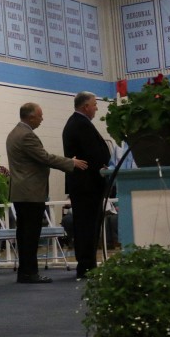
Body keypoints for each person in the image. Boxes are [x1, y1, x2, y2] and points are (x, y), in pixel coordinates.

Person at [6, 103, 87, 284]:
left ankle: (25, 272)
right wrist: (71, 162)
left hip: (21, 193)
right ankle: (30, 273)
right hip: (30, 193)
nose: (42, 119)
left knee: (24, 234)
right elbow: (45, 157)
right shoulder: (27, 135)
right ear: (31, 117)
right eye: (40, 116)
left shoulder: (14, 133)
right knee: (30, 235)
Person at [62, 92, 112, 279]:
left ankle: (88, 264)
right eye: (94, 104)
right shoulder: (80, 124)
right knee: (86, 226)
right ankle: (86, 266)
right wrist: (104, 165)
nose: (96, 108)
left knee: (89, 225)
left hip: (86, 184)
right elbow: (93, 153)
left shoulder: (78, 123)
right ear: (85, 107)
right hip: (86, 185)